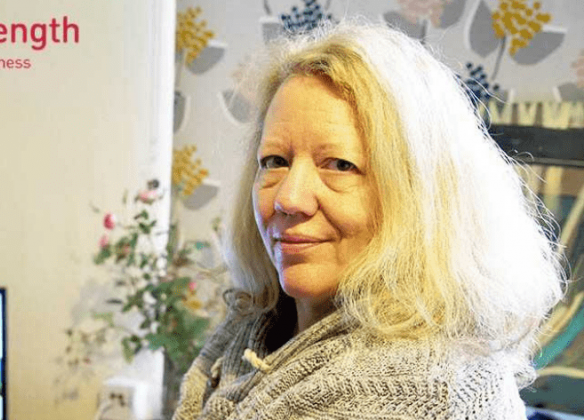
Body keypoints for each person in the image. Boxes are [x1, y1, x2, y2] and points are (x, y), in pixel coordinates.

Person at [173, 21, 565, 420]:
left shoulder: (417, 392)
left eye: (340, 165)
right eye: (275, 161)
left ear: (419, 198)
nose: (288, 198)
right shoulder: (255, 327)